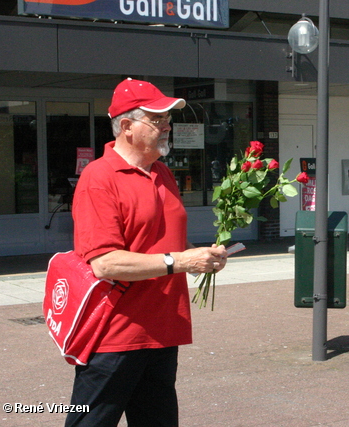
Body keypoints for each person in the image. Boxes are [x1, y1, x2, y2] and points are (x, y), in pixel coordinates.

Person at [66, 78, 228, 426]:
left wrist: (198, 257)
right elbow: (105, 263)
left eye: (167, 118)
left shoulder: (162, 172)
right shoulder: (99, 177)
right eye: (157, 119)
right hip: (115, 334)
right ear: (126, 126)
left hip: (163, 329)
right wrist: (182, 261)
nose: (167, 125)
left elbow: (160, 242)